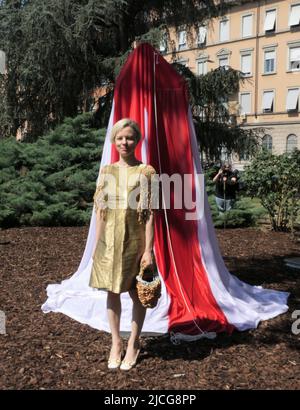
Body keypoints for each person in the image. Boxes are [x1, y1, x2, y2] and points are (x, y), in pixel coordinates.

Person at [89, 118, 157, 371]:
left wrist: (148, 250)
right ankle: (116, 342)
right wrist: (97, 246)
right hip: (109, 241)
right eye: (119, 138)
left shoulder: (146, 171)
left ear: (136, 140)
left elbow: (150, 213)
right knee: (112, 291)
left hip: (136, 242)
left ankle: (134, 343)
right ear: (113, 140)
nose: (124, 142)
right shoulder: (106, 171)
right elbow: (101, 211)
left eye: (129, 137)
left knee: (136, 293)